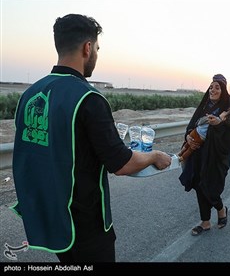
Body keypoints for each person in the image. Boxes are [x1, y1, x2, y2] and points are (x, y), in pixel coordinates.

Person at [11, 14, 171, 262]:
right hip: (83, 226)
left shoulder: (30, 94)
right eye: (97, 48)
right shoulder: (88, 98)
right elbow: (121, 164)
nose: (96, 53)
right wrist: (154, 156)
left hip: (50, 217)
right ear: (87, 48)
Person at [179, 74, 230, 236]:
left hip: (215, 157)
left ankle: (221, 209)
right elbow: (191, 127)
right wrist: (188, 138)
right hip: (198, 155)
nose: (213, 90)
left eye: (217, 87)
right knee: (199, 186)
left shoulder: (228, 112)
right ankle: (205, 223)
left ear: (223, 90)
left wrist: (219, 125)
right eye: (211, 87)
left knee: (211, 188)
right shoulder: (203, 107)